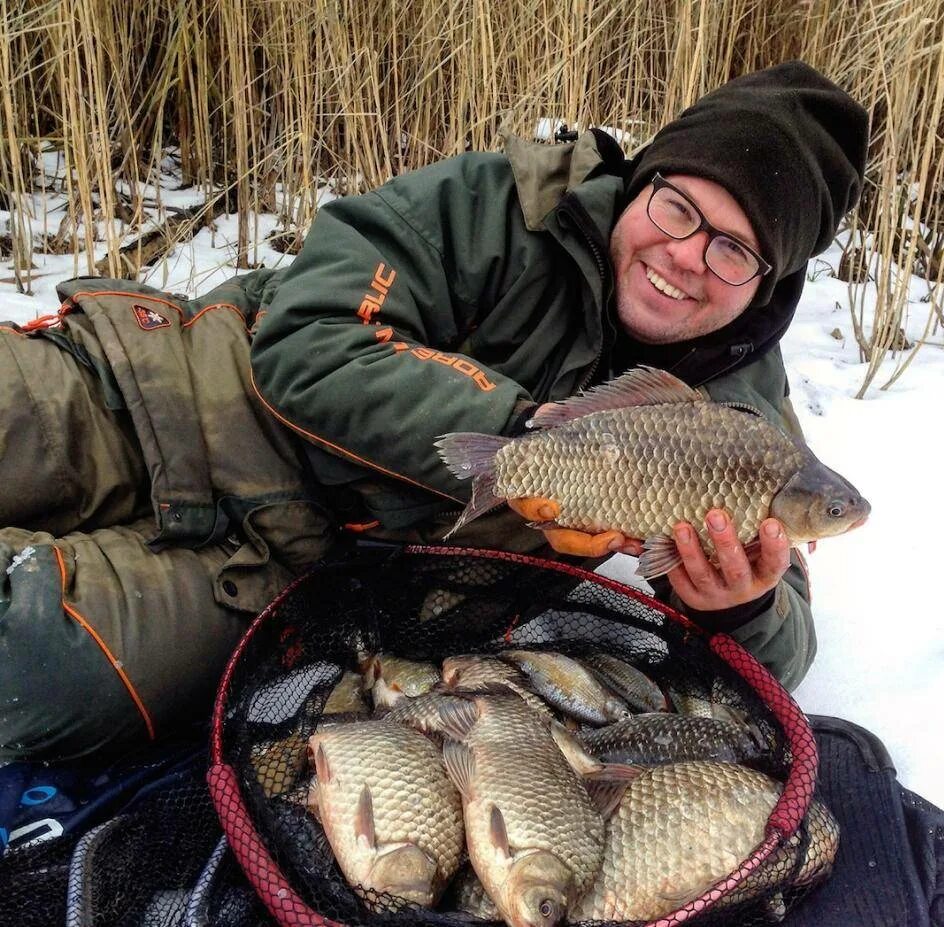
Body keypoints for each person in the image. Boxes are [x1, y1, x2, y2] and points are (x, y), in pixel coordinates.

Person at [0, 60, 868, 762]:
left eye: (732, 250)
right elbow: (310, 336)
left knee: (33, 665)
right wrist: (535, 442)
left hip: (276, 577)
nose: (682, 257)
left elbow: (785, 647)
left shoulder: (742, 418)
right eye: (677, 206)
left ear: (769, 285)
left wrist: (738, 604)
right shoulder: (503, 209)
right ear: (642, 183)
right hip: (162, 390)